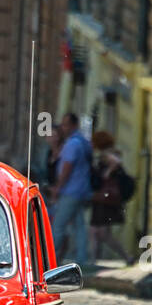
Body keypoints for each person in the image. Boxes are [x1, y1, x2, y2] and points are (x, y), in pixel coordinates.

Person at [50, 113, 92, 267]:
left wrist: (58, 188)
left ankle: (48, 259)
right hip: (81, 190)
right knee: (79, 225)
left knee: (58, 226)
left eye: (66, 124)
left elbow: (67, 168)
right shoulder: (83, 142)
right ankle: (82, 259)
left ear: (74, 126)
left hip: (70, 191)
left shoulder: (73, 144)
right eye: (62, 124)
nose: (63, 127)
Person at [89, 130, 131, 263]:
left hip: (105, 198)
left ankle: (126, 256)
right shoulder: (106, 154)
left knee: (102, 233)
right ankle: (93, 260)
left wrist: (106, 174)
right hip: (101, 198)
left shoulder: (109, 155)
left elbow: (115, 166)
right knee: (96, 231)